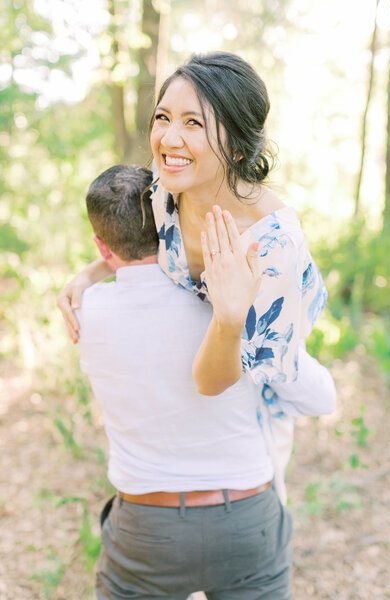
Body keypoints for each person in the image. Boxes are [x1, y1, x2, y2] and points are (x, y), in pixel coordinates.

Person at [58, 51, 328, 501]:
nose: (168, 137)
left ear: (238, 145)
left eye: (194, 124)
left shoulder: (273, 248)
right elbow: (134, 244)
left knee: (272, 473)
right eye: (163, 117)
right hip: (210, 365)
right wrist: (87, 276)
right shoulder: (163, 191)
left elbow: (212, 382)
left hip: (261, 377)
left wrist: (229, 314)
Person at [76, 164, 336, 600]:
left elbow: (118, 270)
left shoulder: (86, 310)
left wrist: (88, 274)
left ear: (103, 245)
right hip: (244, 517)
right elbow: (320, 397)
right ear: (172, 221)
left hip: (145, 526)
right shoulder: (225, 300)